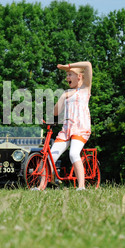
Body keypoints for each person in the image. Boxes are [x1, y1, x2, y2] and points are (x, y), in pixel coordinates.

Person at [49, 61, 93, 191]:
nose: (67, 77)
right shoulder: (67, 93)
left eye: (70, 74)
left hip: (80, 129)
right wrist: (62, 96)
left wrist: (67, 66)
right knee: (50, 157)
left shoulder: (85, 89)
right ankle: (41, 186)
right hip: (66, 130)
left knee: (73, 153)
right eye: (67, 75)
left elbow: (88, 65)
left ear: (79, 76)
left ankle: (81, 186)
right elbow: (55, 112)